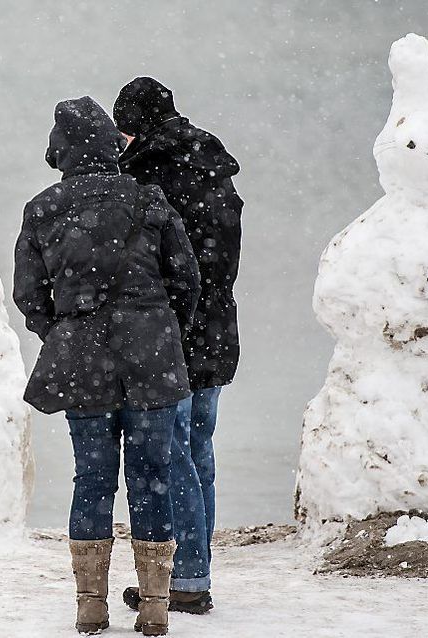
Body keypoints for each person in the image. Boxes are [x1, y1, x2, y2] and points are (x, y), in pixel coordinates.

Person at [14, 96, 200, 636]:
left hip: (83, 359)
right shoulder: (150, 201)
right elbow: (185, 281)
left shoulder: (44, 207)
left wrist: (64, 330)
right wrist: (161, 331)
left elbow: (29, 293)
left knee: (92, 478)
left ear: (64, 151)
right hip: (151, 358)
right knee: (152, 478)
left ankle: (90, 605)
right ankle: (156, 607)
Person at [113, 77, 243, 614]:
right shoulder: (212, 163)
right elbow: (222, 257)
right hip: (216, 326)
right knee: (199, 450)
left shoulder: (147, 176)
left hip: (173, 330)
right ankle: (197, 566)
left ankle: (186, 577)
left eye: (122, 130)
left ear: (134, 125)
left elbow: (155, 264)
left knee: (171, 455)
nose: (119, 140)